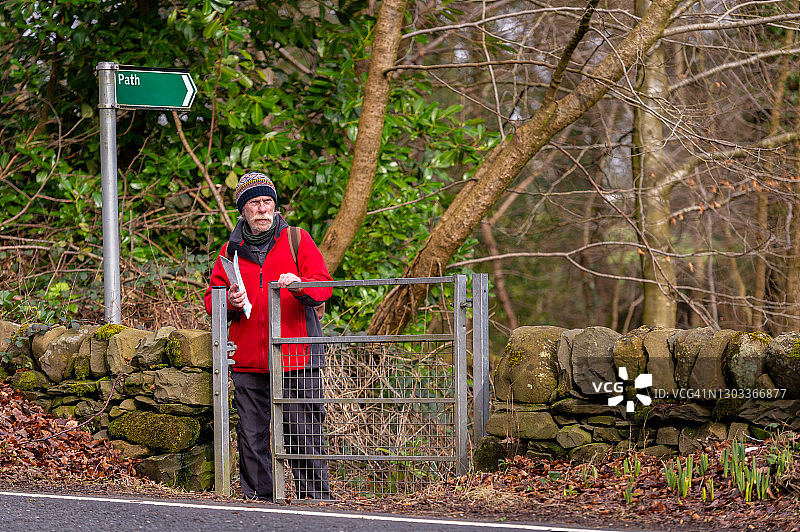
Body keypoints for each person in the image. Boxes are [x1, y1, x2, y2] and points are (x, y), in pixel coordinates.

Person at [204, 171, 333, 502]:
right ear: (242, 210)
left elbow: (323, 286)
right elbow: (211, 301)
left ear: (275, 206)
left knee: (304, 435)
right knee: (251, 438)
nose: (262, 209)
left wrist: (300, 286)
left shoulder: (297, 239)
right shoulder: (229, 251)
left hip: (297, 357)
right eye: (254, 203)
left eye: (267, 202)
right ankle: (260, 504)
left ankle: (315, 503)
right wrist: (228, 301)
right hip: (248, 360)